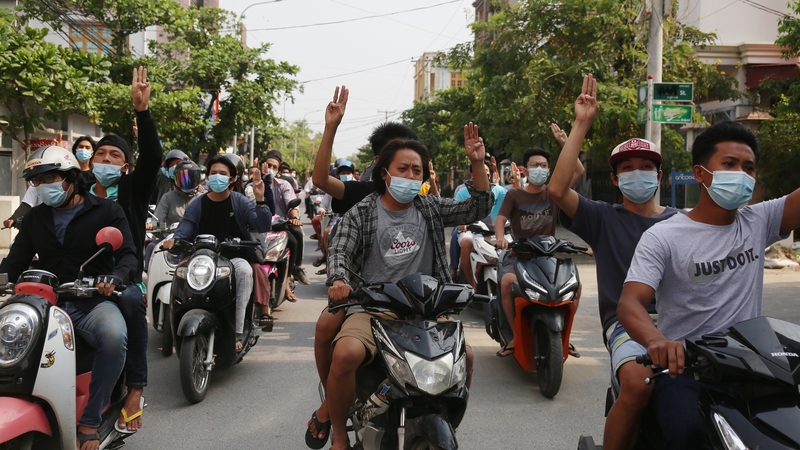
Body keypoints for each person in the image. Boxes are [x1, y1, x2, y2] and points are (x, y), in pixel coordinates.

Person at [617, 120, 800, 450]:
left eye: (749, 168)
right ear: (700, 174)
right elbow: (630, 303)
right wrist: (657, 341)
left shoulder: (759, 221)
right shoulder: (663, 236)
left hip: (756, 367)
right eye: (729, 164)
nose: (741, 175)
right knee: (688, 435)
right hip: (686, 369)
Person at [322, 125, 492, 450]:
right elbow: (340, 249)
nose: (411, 175)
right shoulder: (362, 213)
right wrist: (339, 281)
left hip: (426, 311)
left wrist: (477, 163)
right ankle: (340, 435)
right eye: (403, 168)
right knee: (344, 354)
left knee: (466, 357)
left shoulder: (429, 207)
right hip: (374, 310)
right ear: (385, 173)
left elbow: (478, 208)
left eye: (417, 170)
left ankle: (442, 418)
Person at [549, 74, 682, 450]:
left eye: (645, 166)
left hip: (685, 323)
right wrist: (581, 124)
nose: (637, 172)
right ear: (614, 177)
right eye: (627, 167)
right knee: (639, 384)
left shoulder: (682, 221)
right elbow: (558, 189)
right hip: (627, 327)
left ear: (659, 176)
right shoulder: (602, 217)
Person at [0, 146, 137, 450]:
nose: (44, 185)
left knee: (114, 336)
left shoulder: (107, 211)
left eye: (51, 177)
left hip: (91, 302)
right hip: (45, 304)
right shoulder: (35, 218)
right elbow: (14, 262)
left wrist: (113, 278)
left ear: (72, 177)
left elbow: (128, 256)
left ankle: (90, 420)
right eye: (38, 180)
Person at [305, 87, 420, 447]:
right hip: (361, 294)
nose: (407, 171)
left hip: (414, 299)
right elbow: (321, 180)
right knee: (327, 326)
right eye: (398, 161)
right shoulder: (358, 194)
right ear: (380, 162)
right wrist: (331, 128)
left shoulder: (423, 201)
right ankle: (332, 407)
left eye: (412, 164)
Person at [88, 66, 161, 433]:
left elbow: (153, 156)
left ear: (127, 165)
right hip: (80, 279)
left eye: (115, 155)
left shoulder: (133, 189)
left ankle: (135, 390)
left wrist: (142, 112)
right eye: (100, 154)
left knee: (133, 301)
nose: (106, 160)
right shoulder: (76, 192)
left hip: (126, 278)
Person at [163, 156, 274, 350]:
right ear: (206, 177)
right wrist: (174, 240)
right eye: (213, 173)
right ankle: (176, 326)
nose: (217, 177)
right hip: (203, 258)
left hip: (235, 258)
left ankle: (236, 332)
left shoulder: (239, 201)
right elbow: (185, 228)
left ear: (232, 179)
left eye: (223, 174)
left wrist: (260, 199)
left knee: (245, 271)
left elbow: (262, 224)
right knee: (181, 273)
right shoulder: (197, 204)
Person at [493, 143, 585, 357]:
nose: (539, 169)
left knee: (576, 287)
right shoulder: (514, 195)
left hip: (548, 258)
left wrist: (566, 143)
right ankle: (515, 336)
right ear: (525, 169)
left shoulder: (554, 193)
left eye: (544, 165)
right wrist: (500, 238)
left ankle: (566, 337)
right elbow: (501, 220)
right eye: (535, 165)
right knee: (507, 283)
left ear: (549, 170)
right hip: (519, 257)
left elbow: (578, 170)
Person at [256, 149, 310, 289]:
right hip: (258, 225)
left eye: (275, 167)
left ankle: (295, 270)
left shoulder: (284, 185)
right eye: (269, 165)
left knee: (295, 235)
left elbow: (291, 204)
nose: (271, 169)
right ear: (263, 166)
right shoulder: (253, 184)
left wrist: (294, 217)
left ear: (278, 170)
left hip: (280, 224)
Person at [454, 160, 507, 289]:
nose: (483, 175)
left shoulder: (500, 190)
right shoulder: (462, 191)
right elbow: (456, 214)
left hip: (494, 229)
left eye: (486, 173)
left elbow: (511, 207)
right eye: (479, 172)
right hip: (471, 230)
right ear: (472, 174)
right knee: (467, 243)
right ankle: (471, 285)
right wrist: (462, 223)